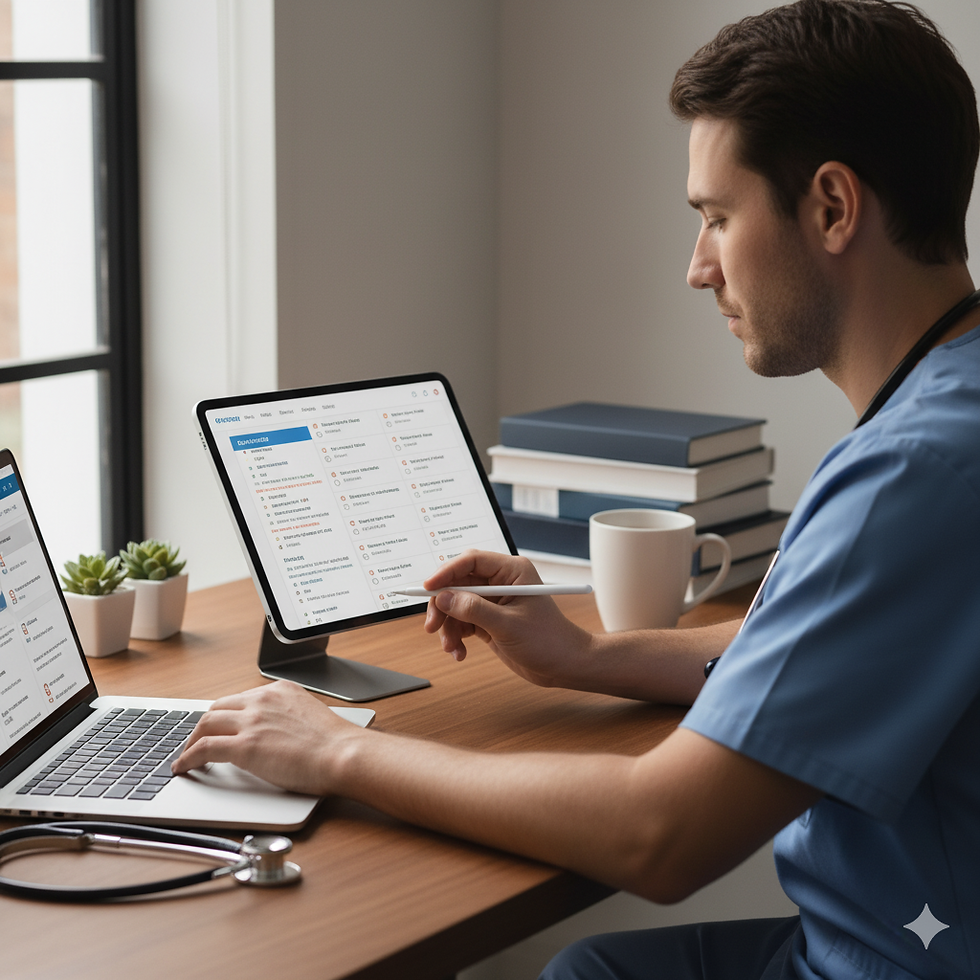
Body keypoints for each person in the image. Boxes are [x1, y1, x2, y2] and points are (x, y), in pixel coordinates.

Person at [174, 1, 980, 977]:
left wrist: (337, 752)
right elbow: (813, 644)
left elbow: (658, 832)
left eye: (717, 218)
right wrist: (583, 655)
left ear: (830, 207)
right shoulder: (947, 405)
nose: (696, 267)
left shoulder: (911, 475)